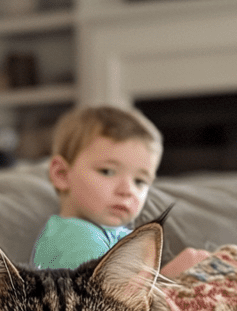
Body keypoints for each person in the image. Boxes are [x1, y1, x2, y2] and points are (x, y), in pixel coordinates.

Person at [32, 105, 207, 277]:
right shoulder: (77, 239)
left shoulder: (112, 234)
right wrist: (171, 278)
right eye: (107, 171)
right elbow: (105, 303)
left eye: (139, 181)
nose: (127, 190)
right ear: (62, 175)